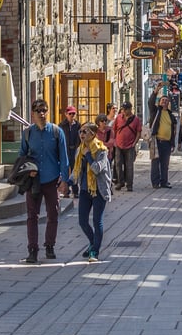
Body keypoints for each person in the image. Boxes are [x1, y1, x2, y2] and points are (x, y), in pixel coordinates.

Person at [19, 98, 70, 263]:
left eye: (44, 110)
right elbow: (22, 157)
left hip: (51, 178)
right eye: (38, 111)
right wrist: (28, 171)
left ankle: (50, 245)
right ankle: (32, 249)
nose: (42, 114)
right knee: (32, 216)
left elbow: (63, 157)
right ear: (32, 114)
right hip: (33, 181)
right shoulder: (27, 133)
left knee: (53, 213)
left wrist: (64, 180)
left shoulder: (56, 132)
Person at [73, 122, 113, 261]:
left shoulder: (101, 150)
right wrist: (66, 181)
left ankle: (94, 252)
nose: (82, 135)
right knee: (82, 221)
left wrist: (89, 155)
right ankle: (93, 243)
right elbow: (77, 170)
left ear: (93, 134)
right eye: (80, 132)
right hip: (85, 189)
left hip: (99, 190)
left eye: (85, 132)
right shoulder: (80, 150)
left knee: (97, 221)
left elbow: (96, 169)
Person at [149, 95, 177, 189]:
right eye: (162, 100)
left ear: (168, 103)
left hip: (167, 143)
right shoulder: (156, 111)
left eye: (166, 100)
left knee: (165, 164)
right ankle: (155, 183)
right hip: (156, 141)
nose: (164, 101)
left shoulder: (170, 115)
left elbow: (173, 130)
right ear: (159, 102)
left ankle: (164, 182)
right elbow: (150, 102)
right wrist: (156, 91)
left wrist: (173, 143)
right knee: (155, 162)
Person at [112, 101, 141, 191]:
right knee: (118, 164)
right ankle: (120, 182)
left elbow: (138, 132)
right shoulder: (118, 118)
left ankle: (129, 184)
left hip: (129, 145)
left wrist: (134, 143)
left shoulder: (135, 119)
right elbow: (114, 129)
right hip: (119, 145)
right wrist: (114, 141)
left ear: (129, 109)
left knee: (129, 165)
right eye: (122, 109)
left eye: (125, 109)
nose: (123, 111)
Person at [59, 105, 81, 197]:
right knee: (65, 170)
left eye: (74, 113)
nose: (72, 115)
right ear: (66, 114)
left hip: (74, 150)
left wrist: (77, 148)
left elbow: (79, 138)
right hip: (65, 150)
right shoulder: (61, 125)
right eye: (70, 113)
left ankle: (75, 191)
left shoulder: (78, 125)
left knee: (74, 170)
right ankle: (66, 191)